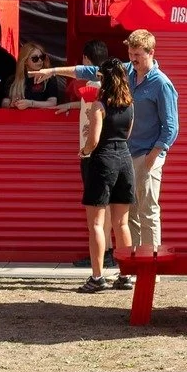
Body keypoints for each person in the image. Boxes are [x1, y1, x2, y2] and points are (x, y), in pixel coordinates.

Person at [36, 59, 135, 292]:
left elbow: (94, 140)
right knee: (122, 223)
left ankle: (97, 277)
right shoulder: (130, 104)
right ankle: (126, 274)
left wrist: (84, 151)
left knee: (97, 224)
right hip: (124, 159)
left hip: (102, 160)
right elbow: (128, 133)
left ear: (104, 79)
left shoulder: (99, 106)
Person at [73, 27, 175, 249]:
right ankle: (135, 263)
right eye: (130, 53)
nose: (132, 59)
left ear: (151, 53)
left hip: (148, 153)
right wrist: (52, 72)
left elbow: (171, 127)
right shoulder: (126, 72)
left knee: (148, 211)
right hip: (126, 155)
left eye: (137, 54)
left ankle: (151, 265)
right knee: (130, 215)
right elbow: (90, 71)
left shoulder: (161, 83)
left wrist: (152, 158)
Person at [9, 43, 73, 108]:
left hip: (42, 116)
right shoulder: (13, 79)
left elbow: (52, 103)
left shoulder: (49, 78)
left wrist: (31, 103)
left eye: (42, 57)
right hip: (20, 117)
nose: (40, 61)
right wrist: (12, 104)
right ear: (25, 61)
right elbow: (4, 102)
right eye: (35, 59)